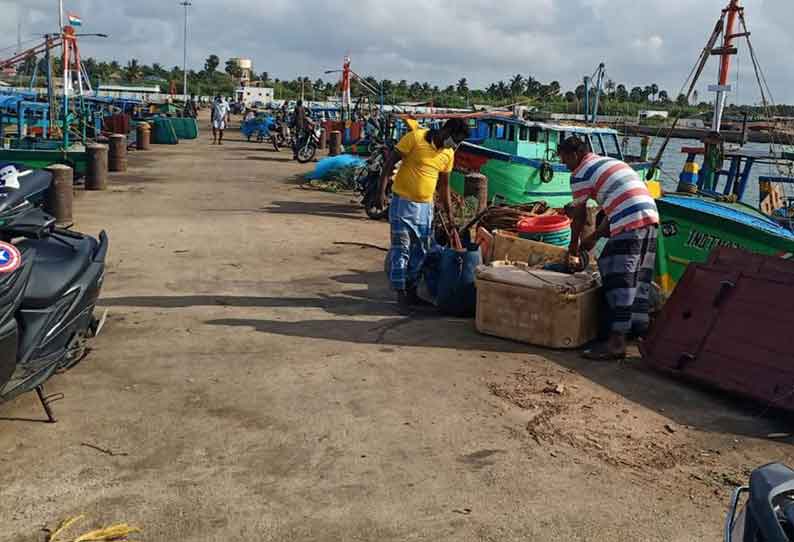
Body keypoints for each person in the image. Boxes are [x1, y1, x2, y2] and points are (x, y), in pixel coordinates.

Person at [558, 135, 659, 361]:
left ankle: (616, 343)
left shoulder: (581, 173)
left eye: (565, 160)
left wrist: (573, 248)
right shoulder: (607, 162)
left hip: (629, 219)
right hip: (650, 216)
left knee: (617, 275)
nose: (565, 166)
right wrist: (593, 237)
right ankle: (639, 332)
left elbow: (580, 216)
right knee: (639, 276)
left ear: (575, 155)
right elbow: (611, 211)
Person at [377, 118, 470, 313]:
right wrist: (381, 192)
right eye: (455, 139)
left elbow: (444, 186)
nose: (456, 144)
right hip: (402, 202)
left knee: (421, 250)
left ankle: (411, 291)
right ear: (446, 131)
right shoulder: (415, 138)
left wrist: (450, 217)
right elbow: (389, 164)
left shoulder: (448, 154)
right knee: (401, 247)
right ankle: (400, 293)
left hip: (425, 207)